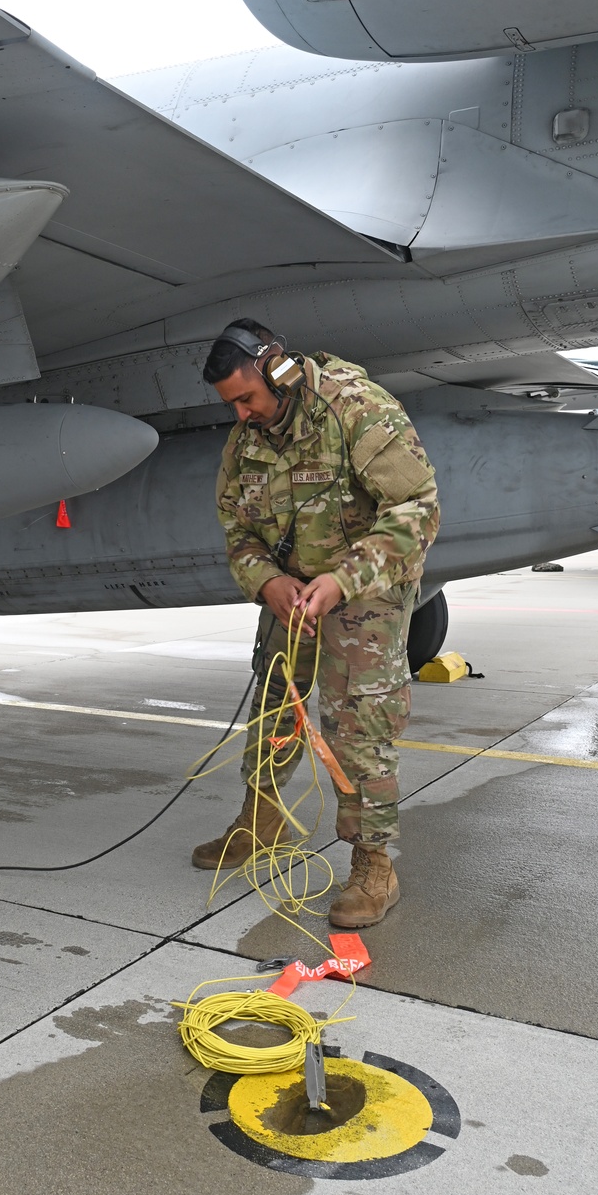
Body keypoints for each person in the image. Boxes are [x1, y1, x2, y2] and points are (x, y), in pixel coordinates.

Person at [192, 319, 440, 928]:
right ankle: (260, 822)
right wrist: (266, 580)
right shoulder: (247, 437)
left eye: (247, 397)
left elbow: (418, 509)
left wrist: (342, 579)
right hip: (292, 600)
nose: (242, 413)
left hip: (364, 597)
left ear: (278, 369)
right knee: (275, 707)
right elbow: (237, 527)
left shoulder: (357, 409)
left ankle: (373, 865)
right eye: (232, 404)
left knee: (358, 729)